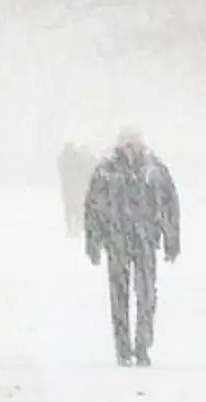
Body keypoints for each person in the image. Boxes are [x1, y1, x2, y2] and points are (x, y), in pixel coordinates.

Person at [84, 127, 180, 367]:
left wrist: (171, 239)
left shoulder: (155, 170)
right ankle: (123, 348)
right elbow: (93, 207)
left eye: (134, 143)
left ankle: (143, 345)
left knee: (146, 294)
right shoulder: (105, 171)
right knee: (119, 295)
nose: (130, 149)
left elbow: (170, 205)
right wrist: (93, 241)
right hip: (116, 241)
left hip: (145, 240)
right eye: (126, 144)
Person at [58, 142, 98, 236]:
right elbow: (60, 170)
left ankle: (75, 227)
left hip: (78, 187)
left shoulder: (82, 158)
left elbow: (89, 172)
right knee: (71, 208)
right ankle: (71, 227)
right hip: (71, 187)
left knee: (77, 207)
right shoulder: (65, 158)